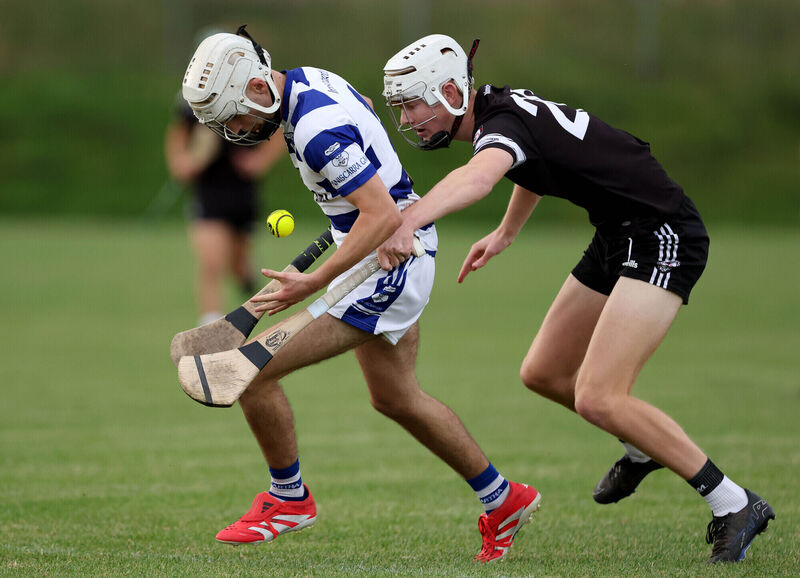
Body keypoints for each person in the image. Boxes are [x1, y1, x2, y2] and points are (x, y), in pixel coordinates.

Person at [379, 34, 775, 563]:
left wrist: (409, 220)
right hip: (618, 232)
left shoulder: (498, 125)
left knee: (599, 396)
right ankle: (640, 448)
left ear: (450, 91)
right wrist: (506, 233)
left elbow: (479, 177)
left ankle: (734, 503)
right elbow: (530, 162)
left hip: (662, 233)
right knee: (542, 372)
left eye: (411, 105)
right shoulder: (501, 111)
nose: (407, 120)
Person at [180, 26, 540, 563]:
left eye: (231, 116)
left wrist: (313, 281)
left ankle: (289, 500)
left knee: (249, 372)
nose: (233, 130)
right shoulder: (305, 81)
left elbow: (382, 216)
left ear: (258, 86)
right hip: (384, 248)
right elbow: (365, 109)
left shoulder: (315, 131)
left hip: (389, 258)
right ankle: (504, 498)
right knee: (395, 397)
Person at [165, 88, 285, 326]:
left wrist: (260, 160)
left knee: (239, 267)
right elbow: (178, 133)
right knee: (211, 263)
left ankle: (244, 272)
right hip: (208, 191)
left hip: (243, 191)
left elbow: (282, 128)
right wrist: (181, 163)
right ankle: (211, 327)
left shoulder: (249, 91)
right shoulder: (193, 96)